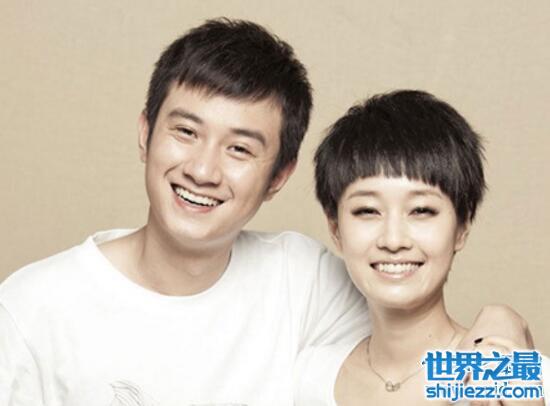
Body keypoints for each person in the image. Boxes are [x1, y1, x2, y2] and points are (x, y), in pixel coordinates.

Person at [0, 19, 538, 406]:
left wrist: (506, 341)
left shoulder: (303, 281)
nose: (203, 170)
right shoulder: (32, 308)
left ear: (279, 175)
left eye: (239, 148)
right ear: (145, 132)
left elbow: (419, 333)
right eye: (185, 131)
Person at [295, 90, 549, 405]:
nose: (393, 240)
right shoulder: (307, 378)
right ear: (336, 228)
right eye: (367, 211)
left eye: (421, 211)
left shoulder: (521, 377)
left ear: (462, 227)